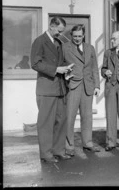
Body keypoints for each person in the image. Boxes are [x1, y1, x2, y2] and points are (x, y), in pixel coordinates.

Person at [30, 16, 74, 163]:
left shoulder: (59, 42)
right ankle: (46, 154)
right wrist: (56, 69)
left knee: (61, 121)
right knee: (46, 123)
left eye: (61, 31)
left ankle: (58, 150)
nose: (60, 34)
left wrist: (66, 72)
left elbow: (60, 63)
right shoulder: (39, 41)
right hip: (47, 88)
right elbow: (35, 64)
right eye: (59, 31)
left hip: (60, 88)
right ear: (51, 26)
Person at [62, 24, 101, 156]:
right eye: (75, 36)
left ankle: (88, 143)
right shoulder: (65, 47)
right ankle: (69, 146)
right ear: (71, 36)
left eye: (80, 36)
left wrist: (97, 86)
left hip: (88, 86)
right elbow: (61, 65)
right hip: (72, 85)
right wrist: (65, 76)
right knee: (70, 117)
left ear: (83, 35)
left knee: (87, 117)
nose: (77, 38)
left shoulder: (90, 48)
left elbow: (94, 67)